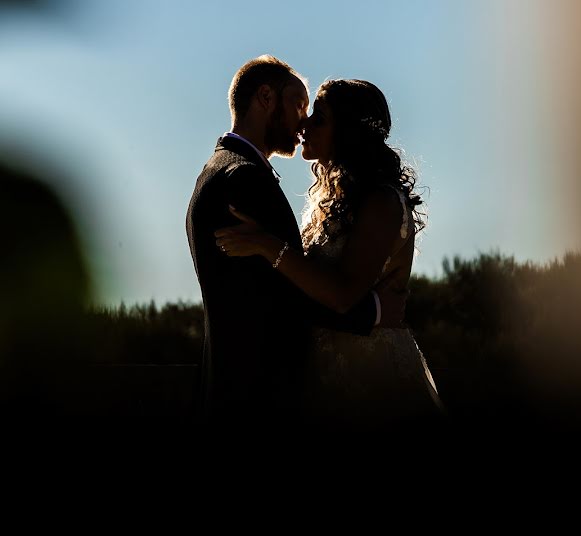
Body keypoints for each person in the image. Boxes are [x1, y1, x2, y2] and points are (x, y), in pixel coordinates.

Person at [214, 78, 445, 431]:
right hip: (321, 381)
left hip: (372, 385)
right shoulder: (330, 201)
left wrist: (267, 245)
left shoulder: (381, 201)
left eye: (318, 117)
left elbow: (341, 295)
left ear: (348, 131)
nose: (304, 124)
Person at [186, 56, 401, 425]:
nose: (303, 120)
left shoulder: (219, 171)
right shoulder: (243, 179)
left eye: (313, 112)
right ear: (266, 97)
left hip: (247, 393)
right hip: (260, 398)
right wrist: (376, 312)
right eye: (299, 105)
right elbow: (286, 296)